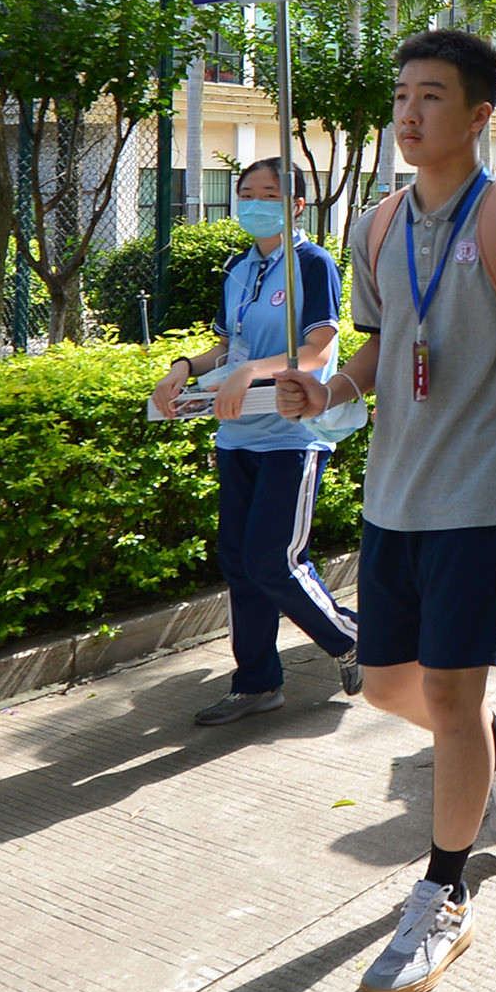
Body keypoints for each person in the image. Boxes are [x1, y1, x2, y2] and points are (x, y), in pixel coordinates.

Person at [265, 28, 496, 992]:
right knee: (385, 684)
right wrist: (328, 385)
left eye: (432, 95)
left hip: (484, 494)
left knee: (449, 705)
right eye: (402, 94)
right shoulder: (378, 225)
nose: (409, 111)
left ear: (478, 114)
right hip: (395, 498)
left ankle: (443, 891)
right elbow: (382, 347)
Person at [150, 159, 361, 724]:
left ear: (296, 204)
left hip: (293, 434)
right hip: (237, 435)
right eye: (246, 193)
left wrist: (254, 373)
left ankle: (350, 636)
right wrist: (183, 367)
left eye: (270, 193)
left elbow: (317, 353)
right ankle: (257, 683)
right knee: (239, 563)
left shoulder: (312, 264)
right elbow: (228, 349)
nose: (254, 202)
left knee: (275, 560)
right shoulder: (239, 268)